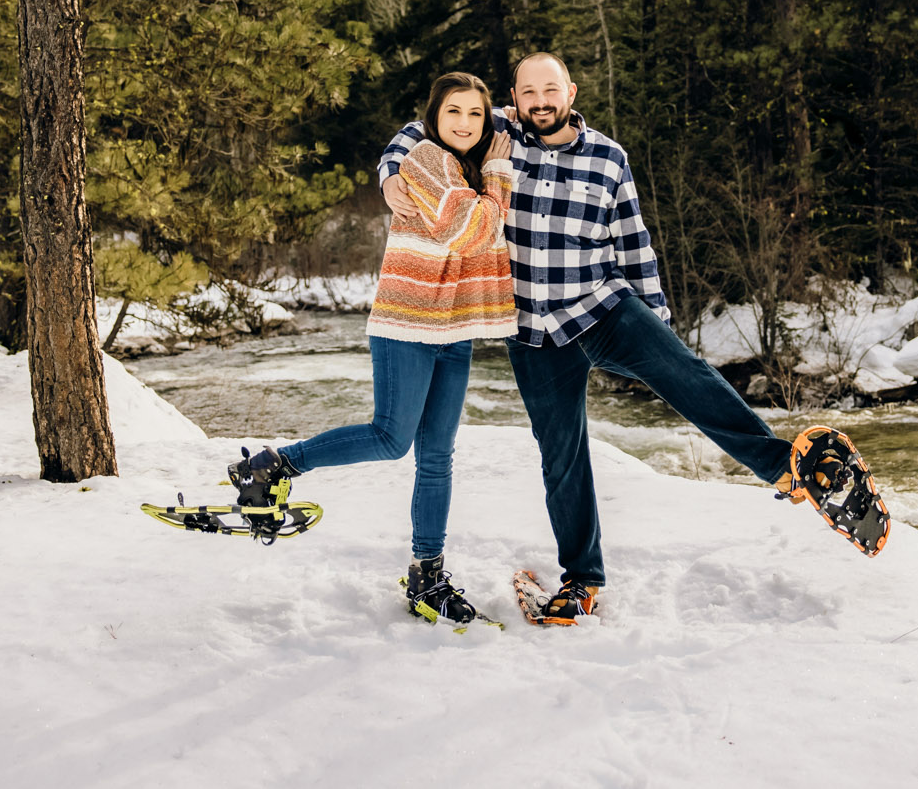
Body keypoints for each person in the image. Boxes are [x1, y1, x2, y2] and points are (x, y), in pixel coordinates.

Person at [378, 52, 855, 626]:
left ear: (571, 91)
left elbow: (633, 238)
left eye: (550, 90)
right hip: (532, 330)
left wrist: (654, 316)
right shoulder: (499, 134)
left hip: (602, 304)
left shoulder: (608, 156)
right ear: (515, 97)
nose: (540, 101)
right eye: (528, 93)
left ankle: (786, 467)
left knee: (687, 376)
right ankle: (582, 579)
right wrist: (388, 175)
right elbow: (420, 132)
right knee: (562, 457)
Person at [231, 71, 515, 626]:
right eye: (452, 111)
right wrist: (500, 175)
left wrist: (498, 152)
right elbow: (474, 227)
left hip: (453, 327)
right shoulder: (427, 160)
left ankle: (427, 572)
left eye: (476, 115)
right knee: (391, 438)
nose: (464, 123)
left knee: (437, 457)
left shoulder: (471, 162)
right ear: (433, 117)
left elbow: (518, 122)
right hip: (407, 320)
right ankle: (273, 466)